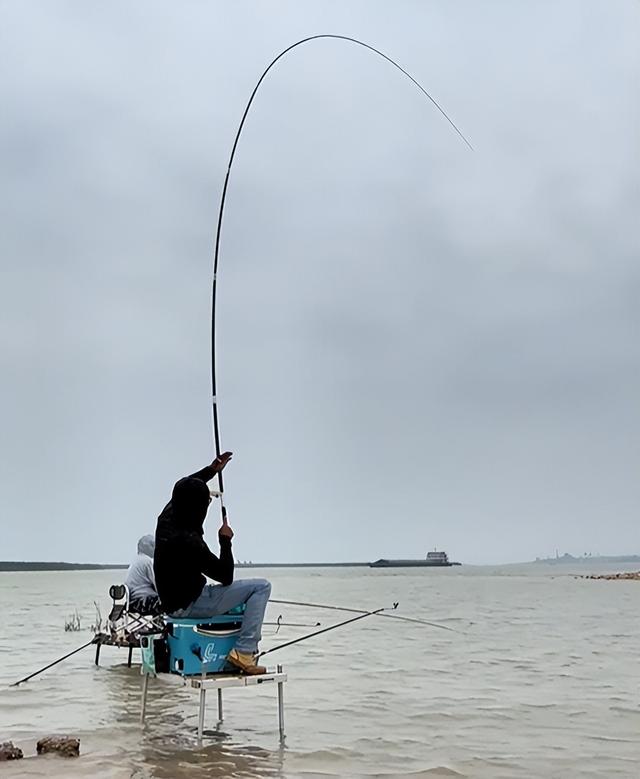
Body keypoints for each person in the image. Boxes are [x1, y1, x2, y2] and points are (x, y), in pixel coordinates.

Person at [154, 452, 272, 675]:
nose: (208, 504)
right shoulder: (190, 542)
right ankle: (244, 652)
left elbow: (181, 487)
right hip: (190, 605)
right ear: (198, 508)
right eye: (206, 501)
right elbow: (225, 576)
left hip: (170, 604)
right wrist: (225, 541)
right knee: (261, 587)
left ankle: (238, 646)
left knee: (237, 599)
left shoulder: (166, 521)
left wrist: (211, 471)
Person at [124, 534, 160, 614]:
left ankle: (158, 625)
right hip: (142, 603)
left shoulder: (136, 560)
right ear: (147, 547)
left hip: (131, 603)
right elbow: (158, 585)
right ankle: (165, 626)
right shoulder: (147, 561)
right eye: (153, 545)